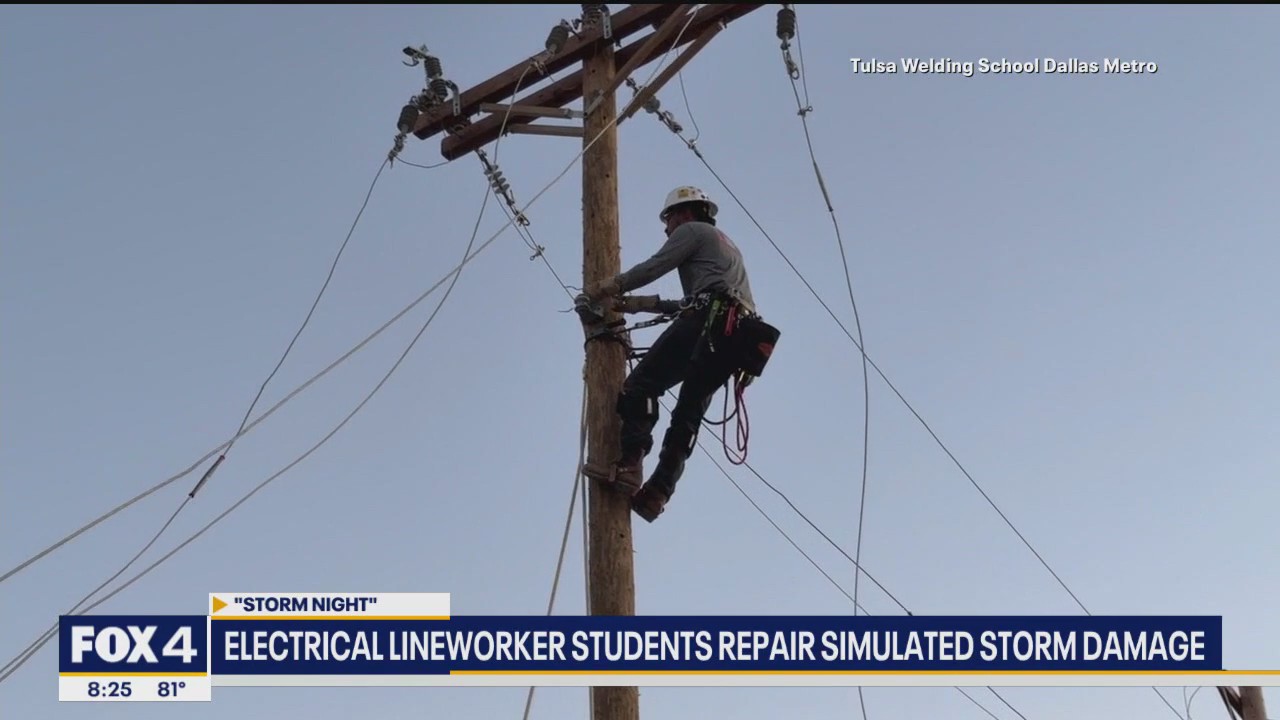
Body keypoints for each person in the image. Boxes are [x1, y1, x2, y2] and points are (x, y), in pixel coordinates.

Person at [582, 185, 759, 523]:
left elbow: (655, 266)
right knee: (688, 416)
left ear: (685, 213)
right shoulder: (726, 248)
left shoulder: (693, 231)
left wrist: (604, 288)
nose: (667, 228)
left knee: (641, 385)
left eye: (669, 219)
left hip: (709, 320)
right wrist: (639, 305)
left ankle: (629, 465)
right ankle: (657, 493)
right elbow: (691, 301)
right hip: (734, 336)